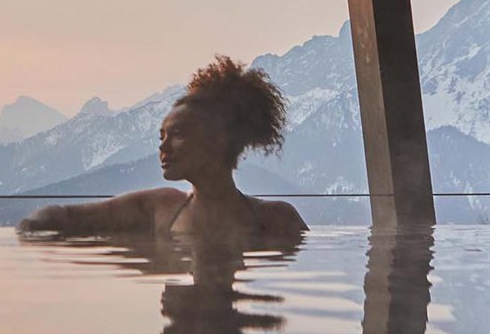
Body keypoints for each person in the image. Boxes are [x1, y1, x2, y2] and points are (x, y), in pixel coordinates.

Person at [17, 56, 305, 246]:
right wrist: (32, 226)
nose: (163, 147)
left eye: (177, 134)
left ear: (218, 141)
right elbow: (64, 217)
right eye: (161, 135)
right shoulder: (158, 207)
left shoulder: (277, 219)